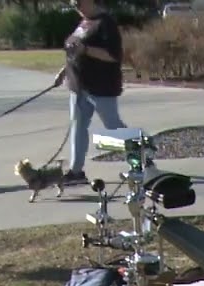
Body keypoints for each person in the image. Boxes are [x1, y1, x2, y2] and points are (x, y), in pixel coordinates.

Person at [52, 0, 127, 186]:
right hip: (78, 86)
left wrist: (86, 49)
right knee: (78, 129)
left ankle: (142, 157)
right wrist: (63, 72)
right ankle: (76, 172)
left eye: (79, 2)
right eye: (74, 3)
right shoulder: (82, 23)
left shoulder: (105, 23)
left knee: (113, 127)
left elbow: (113, 55)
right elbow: (74, 52)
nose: (77, 6)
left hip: (101, 87)